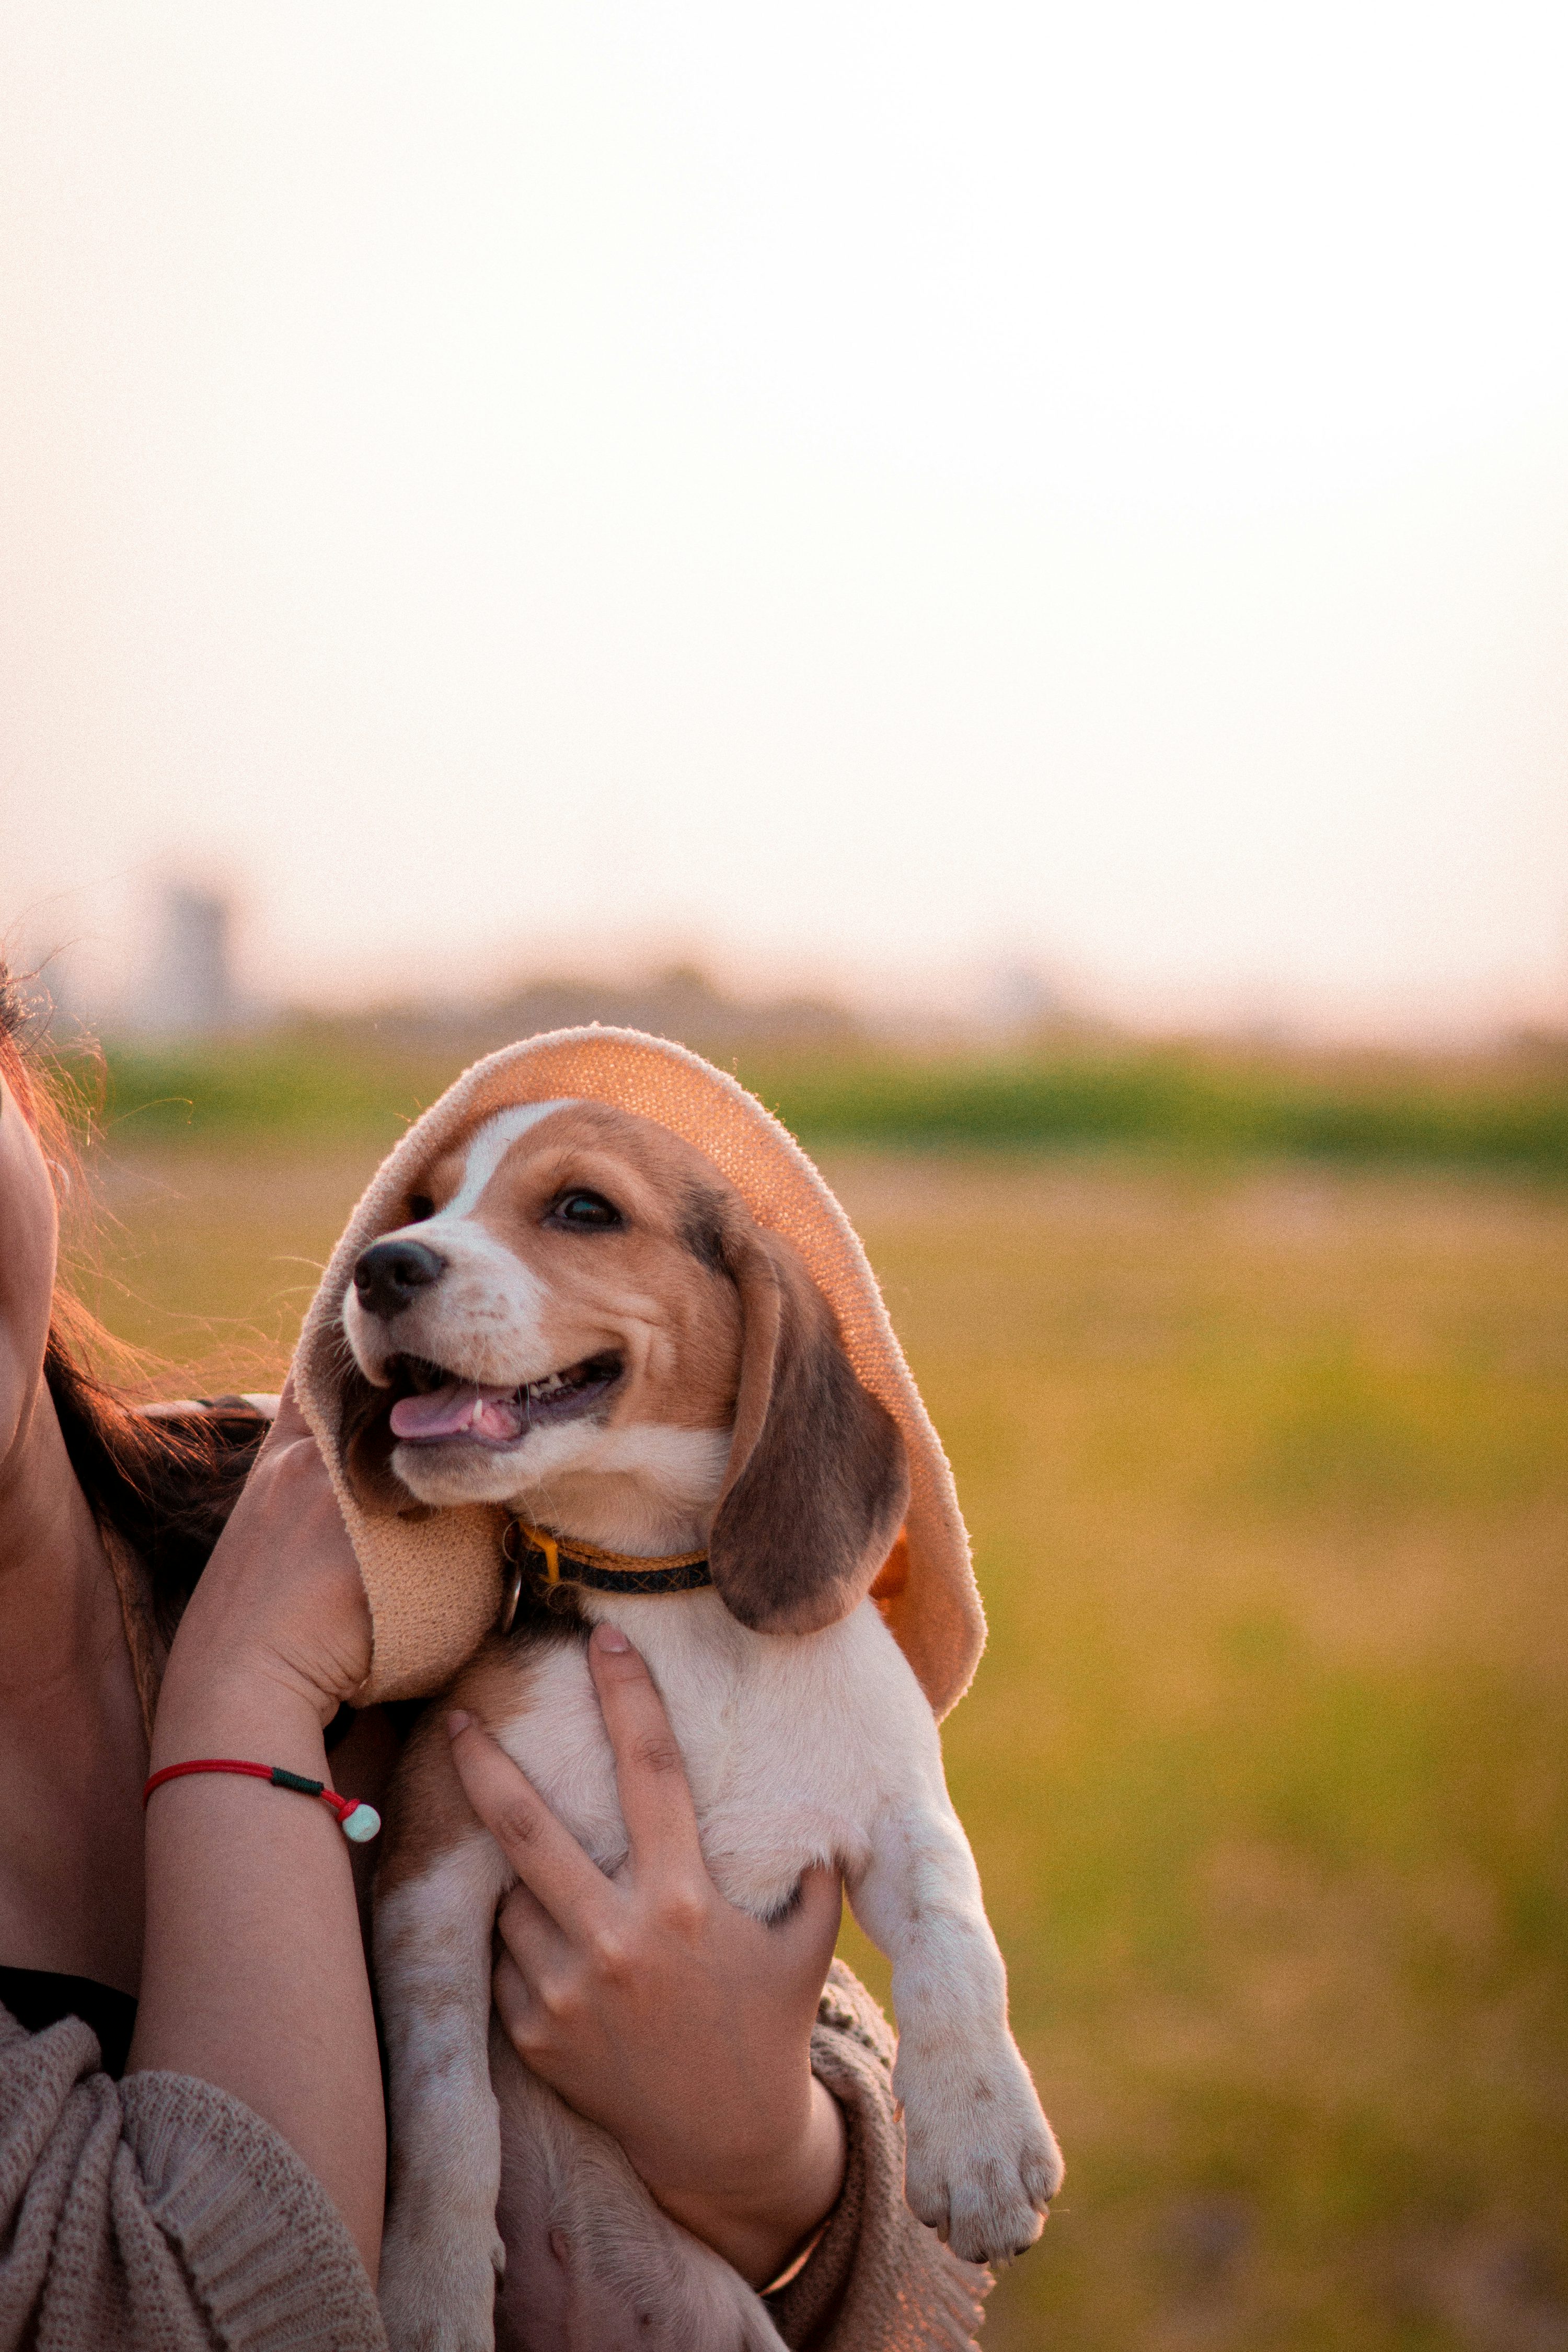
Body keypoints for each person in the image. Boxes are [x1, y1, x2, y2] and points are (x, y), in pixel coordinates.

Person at [0, 975, 990, 2351]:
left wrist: (769, 2158)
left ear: (25, 1094)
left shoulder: (393, 1508)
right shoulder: (348, 1554)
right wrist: (240, 1695)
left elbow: (795, 2023)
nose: (412, 1256)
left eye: (576, 1206)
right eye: (423, 1209)